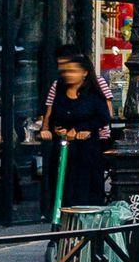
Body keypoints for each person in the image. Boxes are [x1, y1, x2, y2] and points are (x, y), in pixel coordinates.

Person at [35, 49, 111, 211]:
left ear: (84, 73)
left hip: (87, 150)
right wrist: (55, 129)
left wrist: (82, 129)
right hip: (64, 148)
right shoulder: (59, 89)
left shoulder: (93, 93)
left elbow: (103, 117)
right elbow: (52, 113)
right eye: (66, 71)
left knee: (84, 189)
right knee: (62, 187)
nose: (69, 75)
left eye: (73, 71)